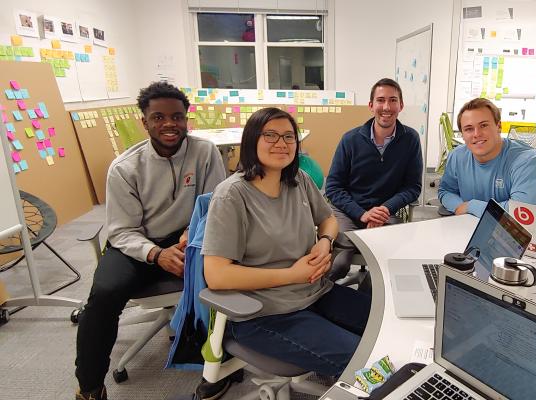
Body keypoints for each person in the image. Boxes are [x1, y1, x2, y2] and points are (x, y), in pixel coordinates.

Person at [74, 82, 226, 400]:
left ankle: (222, 368)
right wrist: (156, 254)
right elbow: (120, 230)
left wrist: (190, 235)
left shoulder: (205, 152)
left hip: (189, 236)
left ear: (187, 118)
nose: (169, 124)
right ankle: (89, 386)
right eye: (158, 117)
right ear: (144, 122)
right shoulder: (124, 168)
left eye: (177, 116)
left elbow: (215, 205)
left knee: (227, 276)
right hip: (137, 242)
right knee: (103, 296)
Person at [201, 107, 371, 379]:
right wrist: (292, 274)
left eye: (289, 137)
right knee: (365, 362)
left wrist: (325, 242)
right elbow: (217, 275)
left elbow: (328, 219)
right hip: (263, 313)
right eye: (270, 135)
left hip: (314, 291)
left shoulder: (299, 180)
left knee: (385, 326)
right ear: (251, 140)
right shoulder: (231, 196)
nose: (281, 143)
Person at [325, 78, 422, 280]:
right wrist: (362, 214)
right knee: (338, 265)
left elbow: (413, 187)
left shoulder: (410, 139)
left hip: (385, 214)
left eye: (393, 100)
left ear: (401, 105)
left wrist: (385, 209)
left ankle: (367, 301)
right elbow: (333, 188)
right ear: (371, 106)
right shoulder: (350, 139)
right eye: (380, 100)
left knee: (389, 267)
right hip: (348, 212)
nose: (386, 107)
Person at [438, 97, 536, 217]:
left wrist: (471, 206)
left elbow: (522, 212)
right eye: (469, 129)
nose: (477, 134)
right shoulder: (457, 156)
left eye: (483, 126)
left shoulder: (527, 160)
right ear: (462, 135)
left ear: (499, 126)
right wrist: (458, 206)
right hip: (465, 225)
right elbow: (446, 191)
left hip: (508, 231)